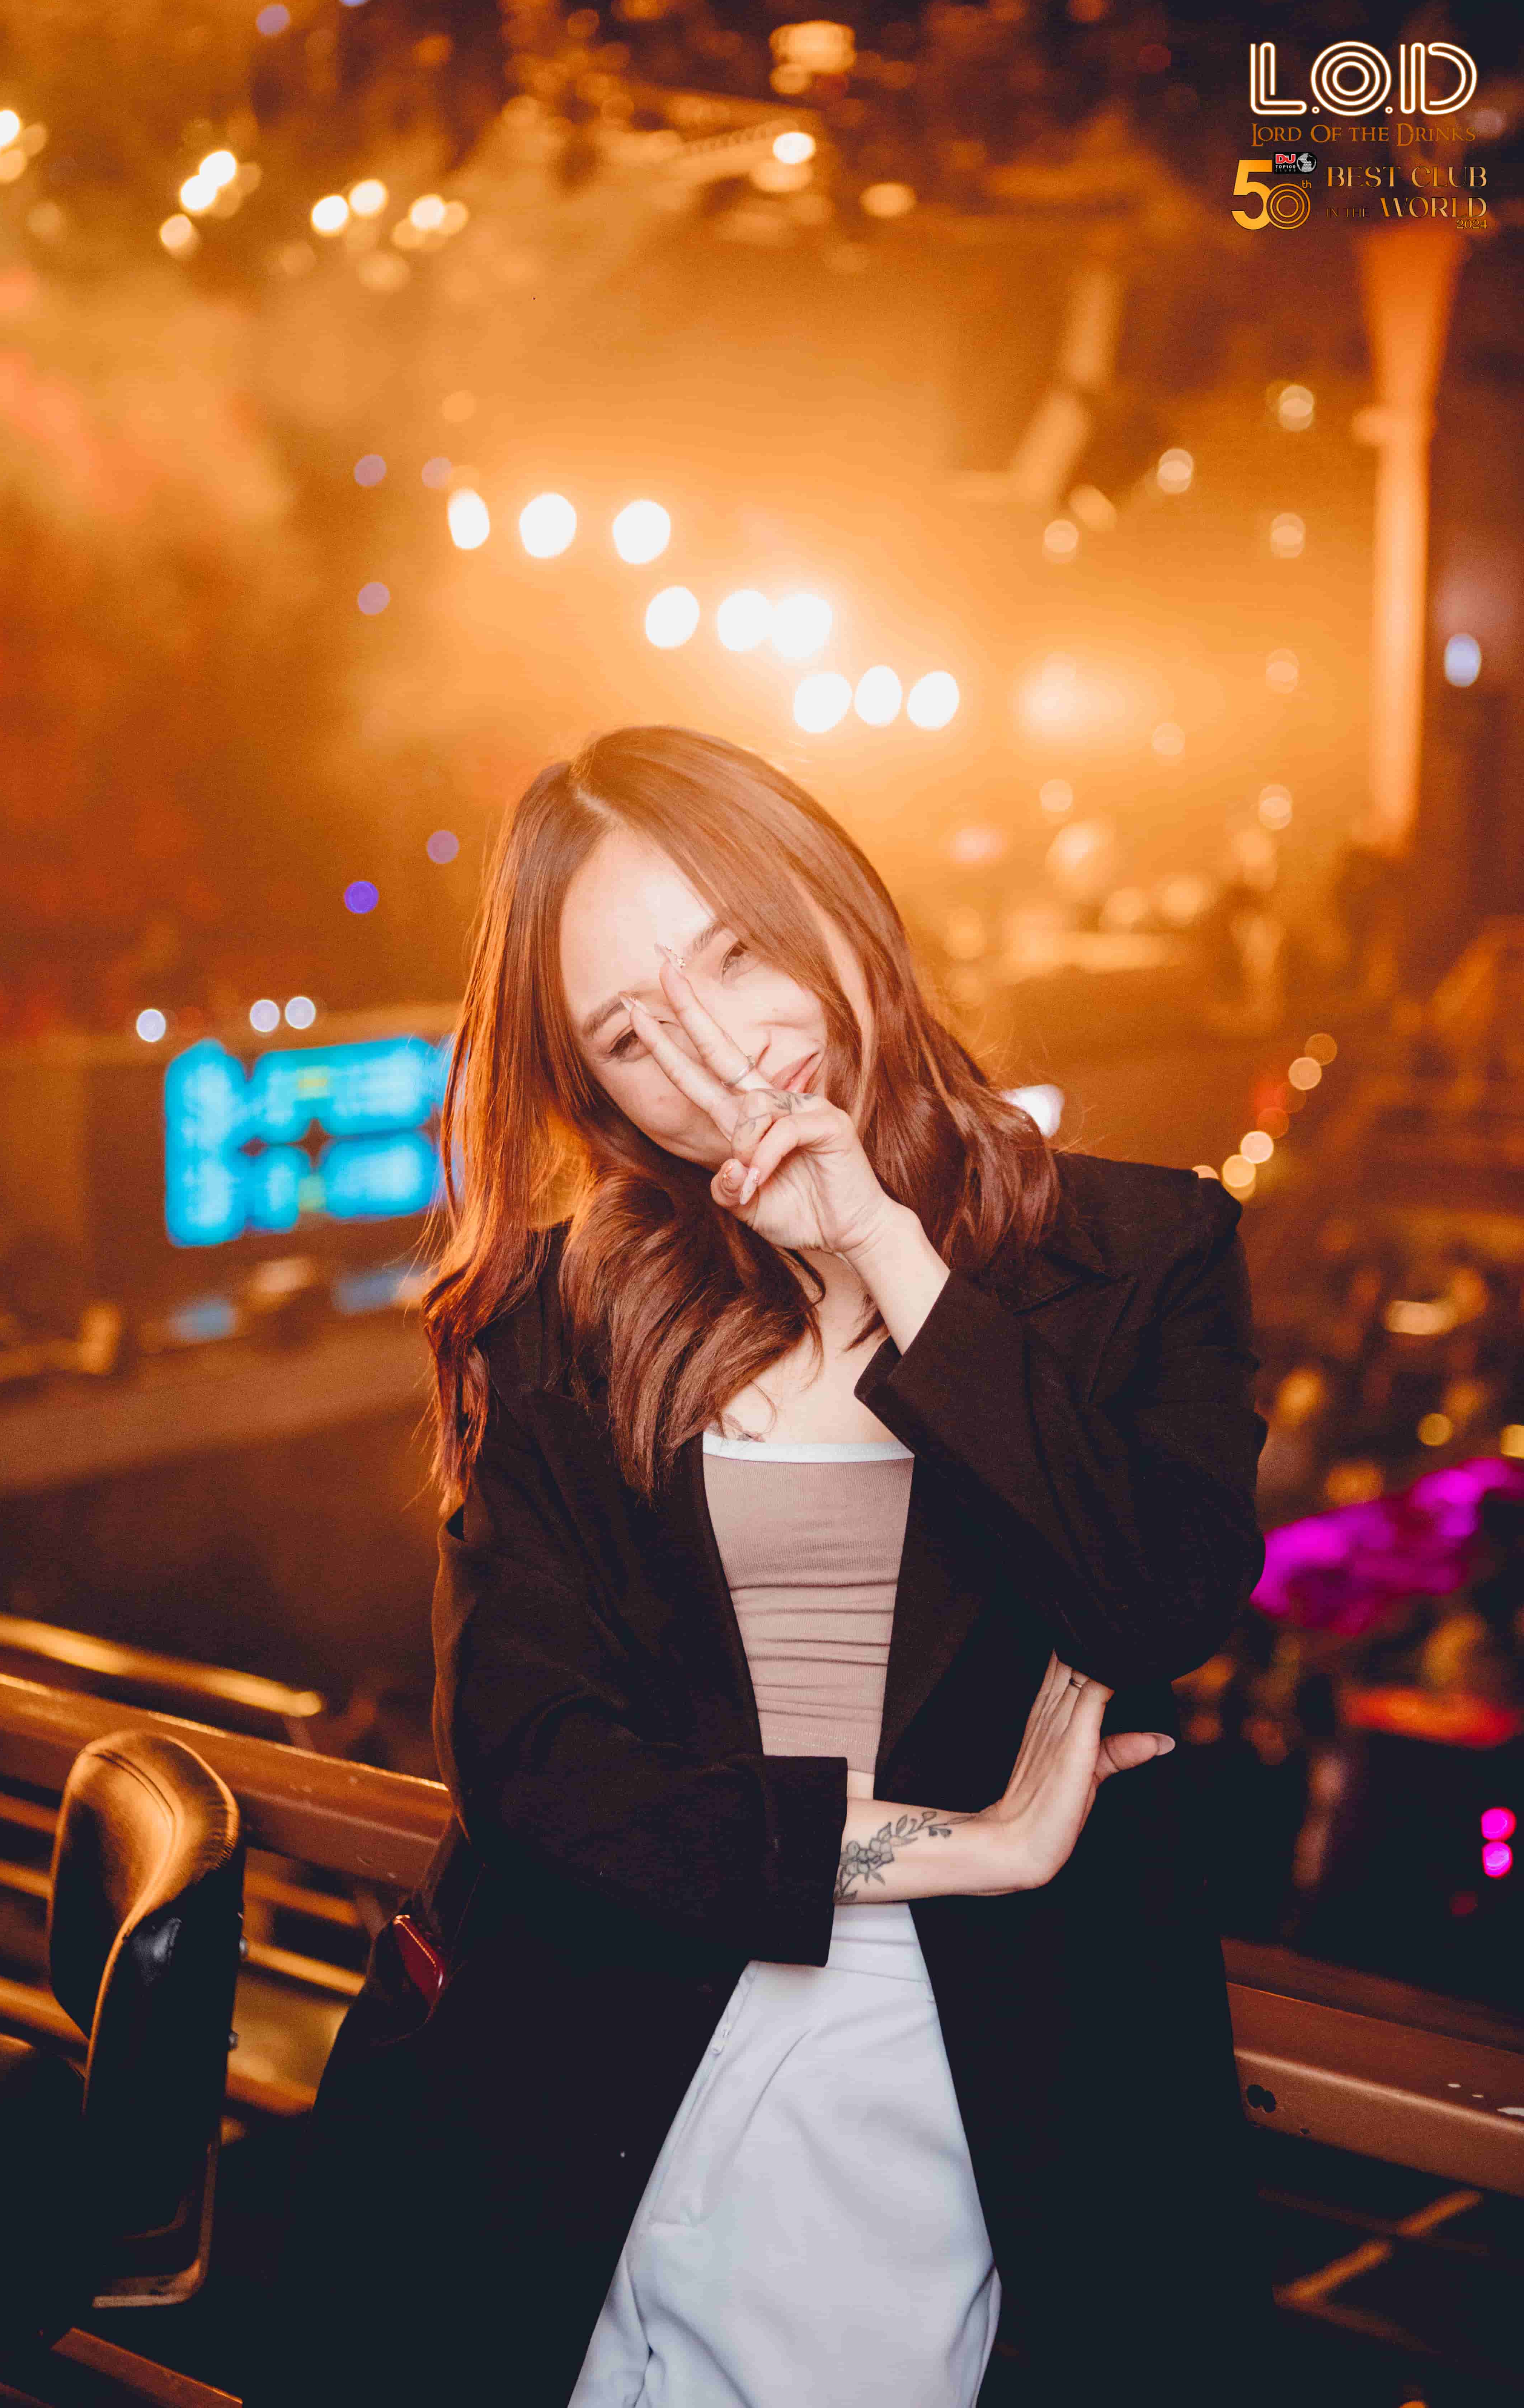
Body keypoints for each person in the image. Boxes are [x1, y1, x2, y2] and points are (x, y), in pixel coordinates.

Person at [257, 725, 1281, 2408]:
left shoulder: (1142, 1253)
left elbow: (1148, 1598)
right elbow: (532, 1762)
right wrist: (962, 1846)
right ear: (594, 1095)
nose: (718, 1053)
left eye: (735, 953)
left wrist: (884, 1248)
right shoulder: (555, 1319)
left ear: (834, 905)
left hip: (962, 2077)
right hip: (593, 2048)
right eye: (629, 1035)